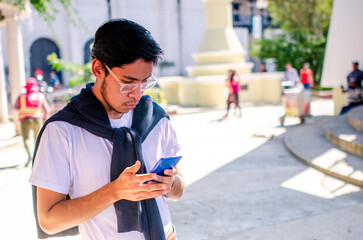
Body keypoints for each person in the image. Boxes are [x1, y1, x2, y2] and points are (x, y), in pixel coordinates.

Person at [30, 19, 185, 240]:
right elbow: (49, 221)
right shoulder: (63, 131)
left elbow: (179, 188)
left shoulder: (155, 118)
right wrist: (114, 191)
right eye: (127, 83)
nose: (137, 94)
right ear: (98, 68)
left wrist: (170, 184)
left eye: (144, 82)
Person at [14, 77, 50, 166]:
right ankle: (37, 157)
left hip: (25, 120)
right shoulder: (40, 96)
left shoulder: (21, 96)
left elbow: (15, 107)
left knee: (26, 139)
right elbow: (47, 110)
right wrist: (45, 120)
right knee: (37, 139)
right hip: (37, 120)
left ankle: (30, 156)